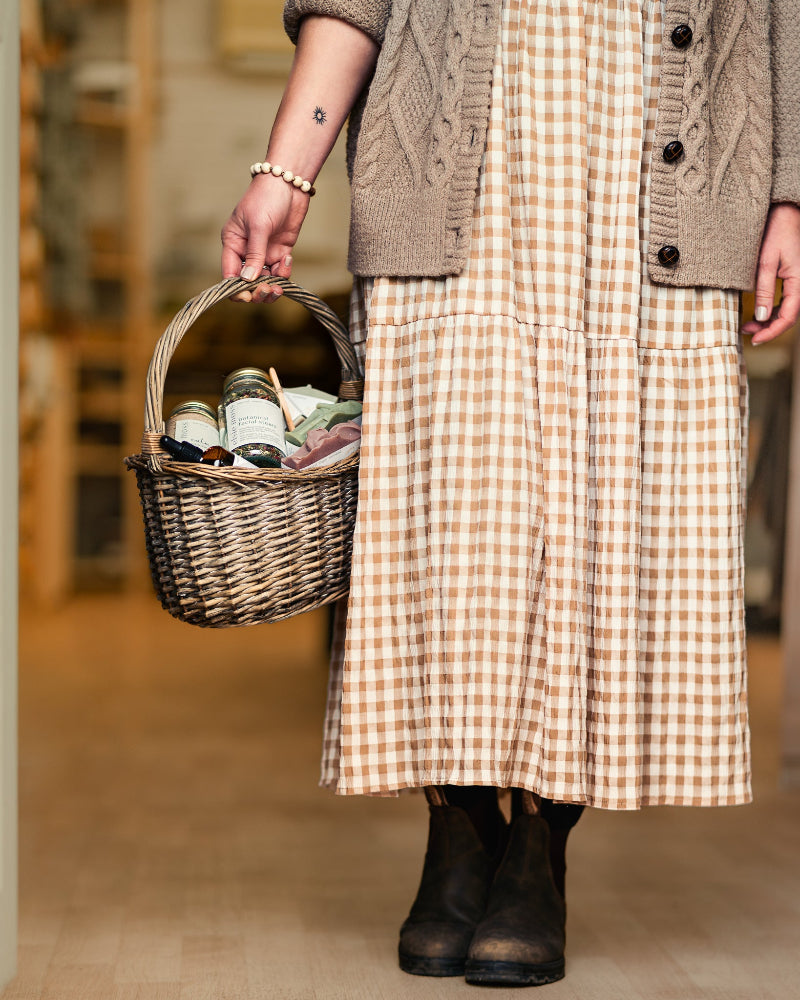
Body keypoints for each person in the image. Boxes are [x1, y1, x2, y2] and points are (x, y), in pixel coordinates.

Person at [221, 0, 800, 988]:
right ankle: (457, 822)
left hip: (660, 162)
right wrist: (284, 171)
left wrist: (789, 195)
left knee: (604, 515)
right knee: (449, 517)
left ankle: (539, 840)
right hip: (462, 157)